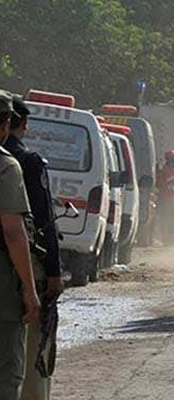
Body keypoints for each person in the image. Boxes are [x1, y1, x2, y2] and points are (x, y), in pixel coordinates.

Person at [4, 96, 63, 400]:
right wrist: (53, 273)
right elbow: (42, 222)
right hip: (21, 269)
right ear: (21, 124)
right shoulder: (24, 163)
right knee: (30, 356)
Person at [0, 90, 41, 400]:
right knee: (6, 375)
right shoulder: (6, 167)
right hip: (2, 295)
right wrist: (30, 290)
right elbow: (14, 232)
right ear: (5, 125)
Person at [156, 150, 174, 246]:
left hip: (169, 198)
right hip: (167, 199)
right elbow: (164, 184)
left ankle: (172, 240)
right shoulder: (168, 169)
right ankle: (168, 240)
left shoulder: (170, 169)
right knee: (169, 219)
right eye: (173, 158)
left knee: (171, 220)